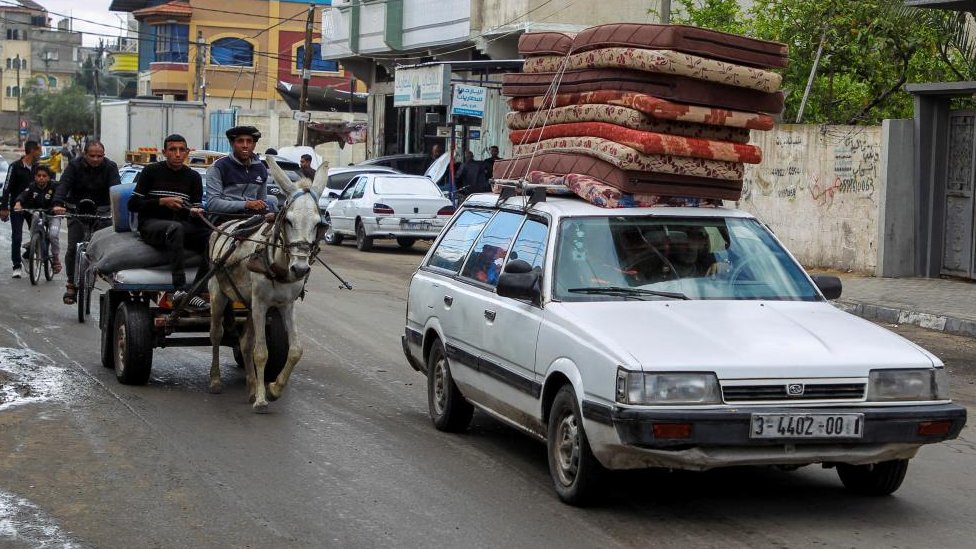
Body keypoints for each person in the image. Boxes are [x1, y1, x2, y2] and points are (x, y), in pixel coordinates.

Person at [128, 135, 210, 303]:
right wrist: (162, 202)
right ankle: (179, 288)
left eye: (182, 150)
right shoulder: (150, 171)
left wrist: (196, 212)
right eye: (173, 150)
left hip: (182, 225)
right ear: (164, 152)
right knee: (175, 228)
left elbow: (197, 207)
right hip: (152, 225)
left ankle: (197, 290)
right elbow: (133, 204)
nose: (178, 154)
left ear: (187, 152)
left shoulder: (193, 177)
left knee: (213, 238)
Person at [52, 141, 120, 305]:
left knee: (107, 246)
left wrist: (118, 207)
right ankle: (70, 284)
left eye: (100, 156)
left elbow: (116, 188)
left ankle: (106, 274)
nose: (96, 159)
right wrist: (58, 203)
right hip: (76, 209)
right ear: (84, 154)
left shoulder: (110, 167)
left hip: (102, 211)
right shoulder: (74, 166)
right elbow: (64, 184)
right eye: (92, 156)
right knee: (72, 247)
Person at [206, 126, 277, 226]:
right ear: (232, 144)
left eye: (249, 141)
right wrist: (246, 204)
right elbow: (213, 204)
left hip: (251, 219)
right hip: (223, 219)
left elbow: (262, 201)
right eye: (240, 141)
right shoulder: (218, 167)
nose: (245, 145)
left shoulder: (261, 169)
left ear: (254, 145)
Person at [0, 140, 41, 278]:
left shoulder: (38, 168)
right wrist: (4, 208)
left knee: (39, 234)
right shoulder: (15, 167)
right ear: (32, 151)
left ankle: (26, 255)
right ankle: (16, 266)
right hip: (16, 207)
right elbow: (7, 188)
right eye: (38, 150)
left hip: (33, 207)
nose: (40, 153)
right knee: (17, 236)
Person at [12, 165, 62, 274]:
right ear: (35, 177)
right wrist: (18, 203)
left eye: (44, 176)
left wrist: (58, 206)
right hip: (38, 214)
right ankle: (34, 240)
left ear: (49, 177)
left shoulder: (55, 186)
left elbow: (61, 196)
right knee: (35, 216)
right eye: (38, 176)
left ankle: (56, 258)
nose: (41, 178)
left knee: (53, 235)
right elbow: (23, 195)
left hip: (53, 215)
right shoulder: (31, 187)